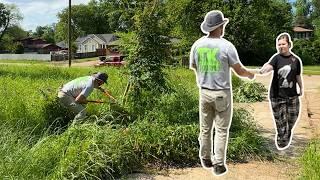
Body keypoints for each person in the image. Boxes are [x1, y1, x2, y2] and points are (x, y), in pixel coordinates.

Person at [189, 10, 255, 176]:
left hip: (204, 92)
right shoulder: (226, 46)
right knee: (221, 130)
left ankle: (205, 158)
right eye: (223, 25)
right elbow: (239, 70)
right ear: (220, 26)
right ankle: (218, 163)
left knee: (205, 128)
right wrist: (250, 74)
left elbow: (194, 66)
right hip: (221, 94)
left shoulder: (197, 45)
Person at [259, 33, 303, 150]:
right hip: (277, 96)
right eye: (278, 44)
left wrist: (301, 87)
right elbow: (269, 66)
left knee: (293, 118)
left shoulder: (296, 60)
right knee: (281, 121)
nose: (280, 46)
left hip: (292, 96)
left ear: (289, 45)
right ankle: (281, 140)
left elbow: (298, 75)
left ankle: (286, 135)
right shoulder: (276, 58)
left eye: (283, 44)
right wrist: (264, 69)